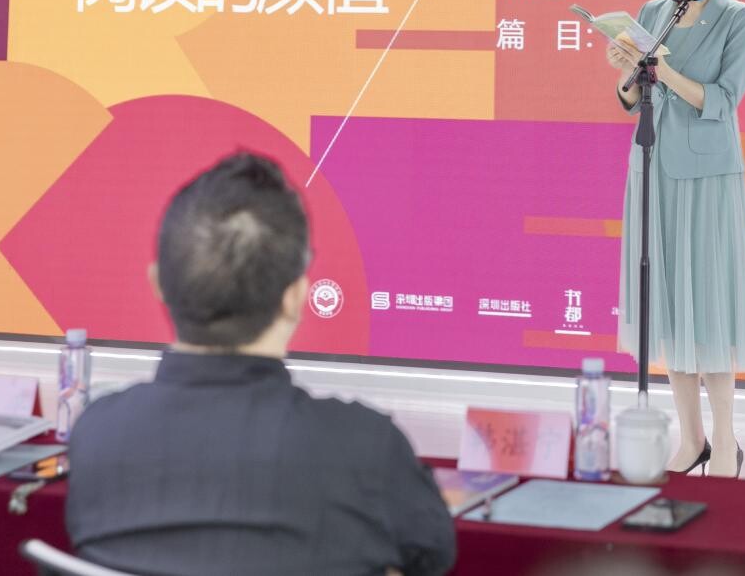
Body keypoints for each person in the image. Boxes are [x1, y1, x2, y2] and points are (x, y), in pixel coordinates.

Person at [66, 153, 455, 576]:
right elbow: (431, 556)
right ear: (296, 297)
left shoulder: (97, 435)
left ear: (158, 284)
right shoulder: (365, 448)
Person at [606, 0, 745, 479]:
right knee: (671, 309)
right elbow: (631, 99)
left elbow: (722, 100)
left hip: (707, 177)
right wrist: (627, 71)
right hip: (652, 169)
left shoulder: (740, 19)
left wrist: (658, 68)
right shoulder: (655, 12)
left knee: (709, 310)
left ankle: (724, 440)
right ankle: (691, 438)